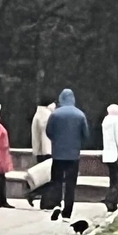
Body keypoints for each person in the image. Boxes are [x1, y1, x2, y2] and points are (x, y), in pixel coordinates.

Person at [45, 88, 90, 221]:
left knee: (57, 181)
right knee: (71, 184)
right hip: (73, 155)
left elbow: (48, 131)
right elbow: (85, 135)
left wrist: (57, 141)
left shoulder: (55, 114)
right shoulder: (80, 115)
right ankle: (67, 211)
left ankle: (56, 204)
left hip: (58, 154)